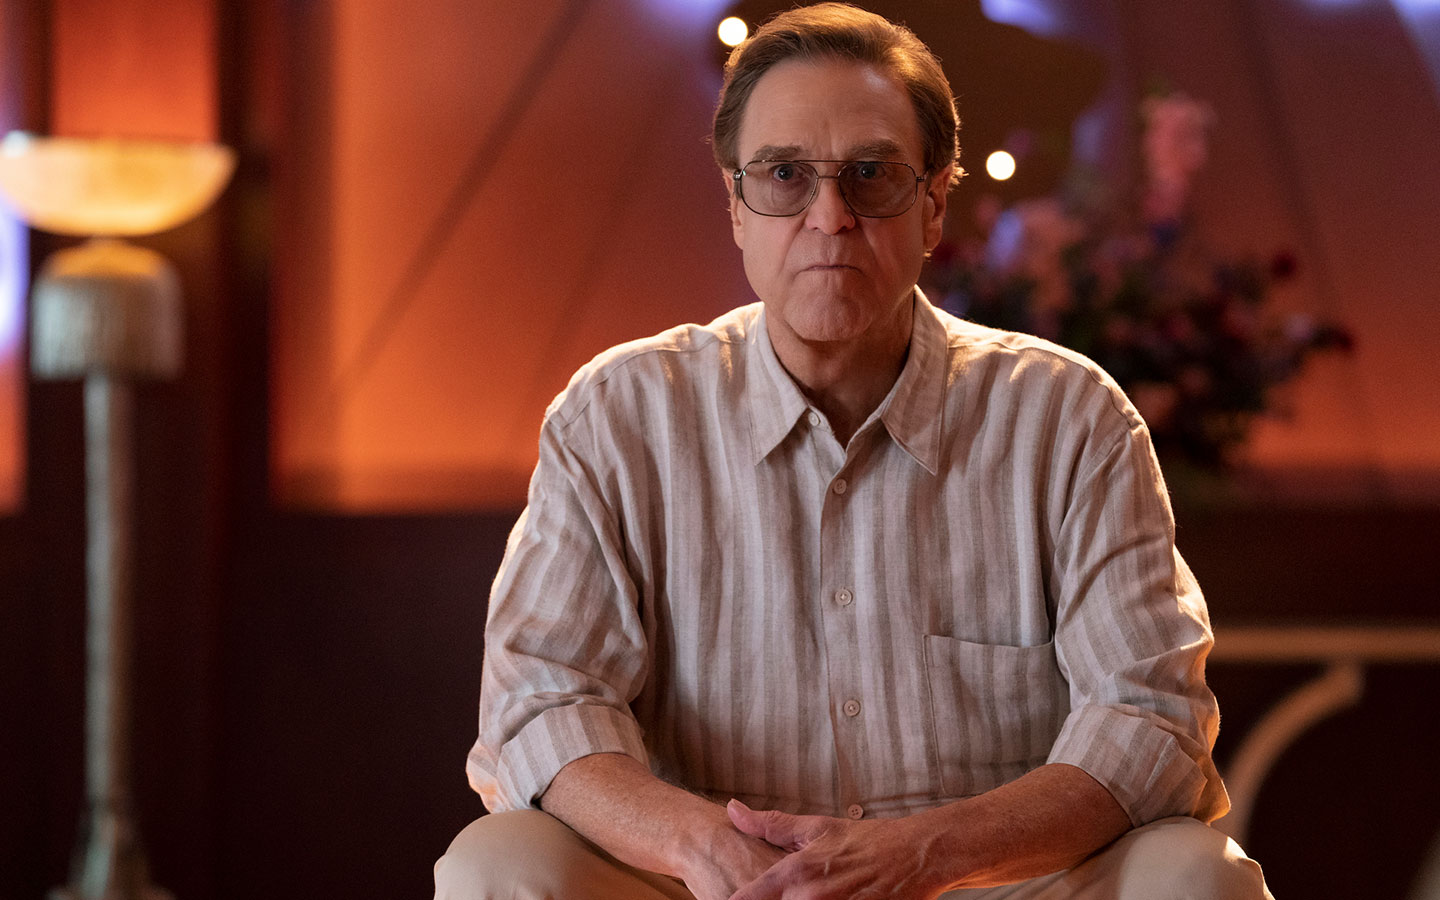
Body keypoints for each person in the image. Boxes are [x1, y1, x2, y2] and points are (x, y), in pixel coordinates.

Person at [435, 4, 1272, 898]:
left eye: (871, 175)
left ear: (934, 206)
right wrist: (705, 847)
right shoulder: (618, 418)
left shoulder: (1068, 420)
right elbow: (542, 703)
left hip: (985, 884)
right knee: (497, 864)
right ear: (736, 206)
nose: (829, 217)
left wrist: (923, 853)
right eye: (784, 175)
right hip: (712, 887)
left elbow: (1150, 718)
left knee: (1197, 876)